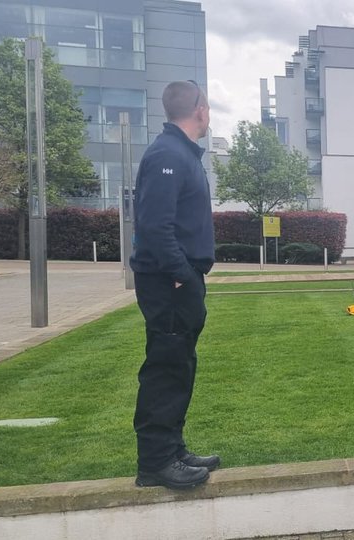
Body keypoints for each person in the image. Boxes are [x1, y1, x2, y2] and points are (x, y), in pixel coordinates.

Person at [131, 80, 219, 490]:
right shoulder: (167, 154)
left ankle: (172, 448)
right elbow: (155, 226)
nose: (209, 114)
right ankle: (156, 462)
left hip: (180, 280)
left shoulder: (180, 153)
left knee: (180, 364)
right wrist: (183, 275)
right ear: (199, 109)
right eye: (208, 107)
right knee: (166, 366)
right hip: (171, 282)